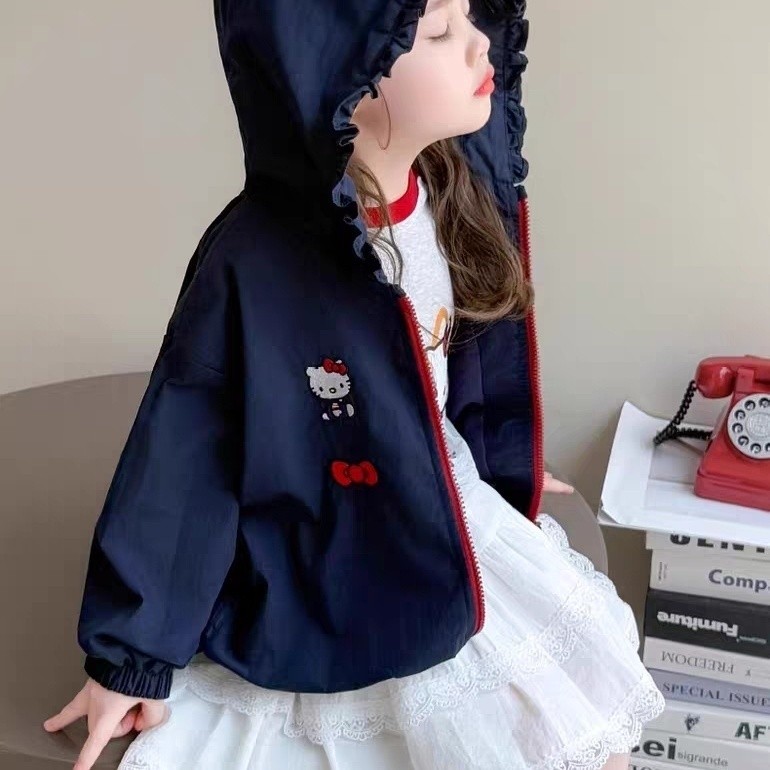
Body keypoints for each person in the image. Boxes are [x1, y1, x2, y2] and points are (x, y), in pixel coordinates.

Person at [43, 0, 665, 768]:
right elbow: (187, 457)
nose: (479, 46)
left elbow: (457, 370)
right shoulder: (256, 263)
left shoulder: (451, 193)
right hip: (325, 558)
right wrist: (129, 658)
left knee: (588, 741)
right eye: (438, 32)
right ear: (345, 74)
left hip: (446, 518)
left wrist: (502, 457)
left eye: (471, 18)